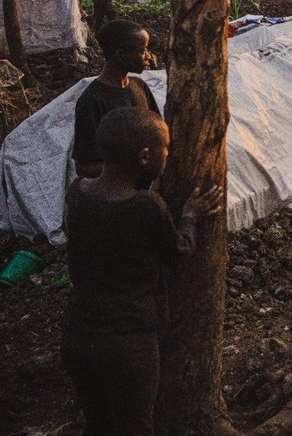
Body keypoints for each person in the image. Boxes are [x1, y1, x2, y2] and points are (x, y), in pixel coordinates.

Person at [62, 108, 223, 436]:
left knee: (98, 423)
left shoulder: (78, 193)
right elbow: (179, 249)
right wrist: (190, 215)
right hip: (127, 341)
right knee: (135, 424)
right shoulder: (146, 206)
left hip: (78, 334)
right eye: (165, 148)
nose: (169, 154)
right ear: (145, 156)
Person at [73, 20, 160, 178]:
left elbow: (158, 135)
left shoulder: (140, 87)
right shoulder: (92, 101)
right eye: (143, 51)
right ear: (120, 55)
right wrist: (137, 167)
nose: (149, 57)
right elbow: (84, 168)